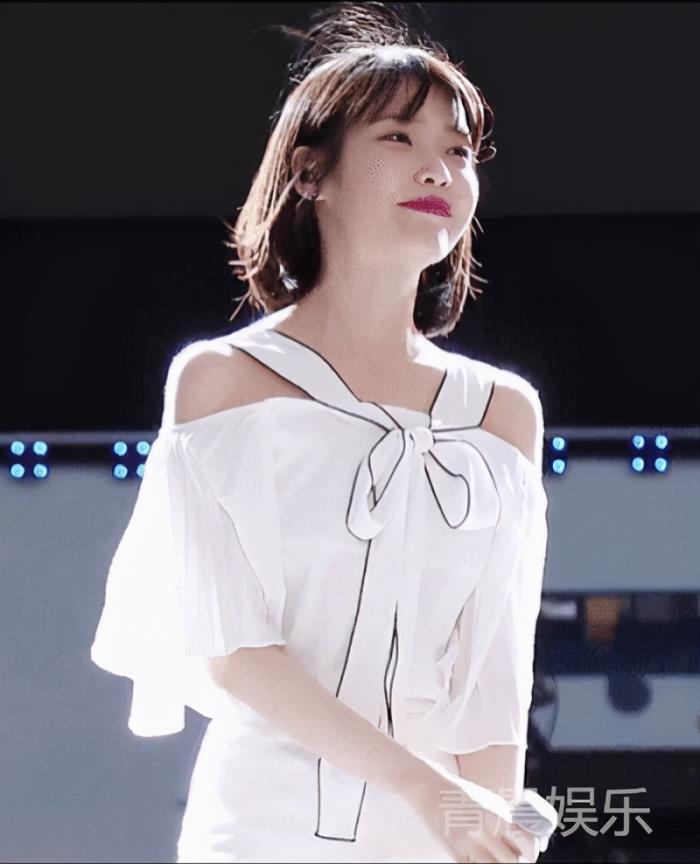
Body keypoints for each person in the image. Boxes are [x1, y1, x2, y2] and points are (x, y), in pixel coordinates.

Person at [90, 4, 556, 862]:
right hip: (258, 829)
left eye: (459, 151)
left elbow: (495, 670)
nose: (439, 168)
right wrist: (424, 785)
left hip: (438, 831)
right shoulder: (224, 381)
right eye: (398, 138)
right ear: (310, 173)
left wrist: (489, 827)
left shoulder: (503, 413)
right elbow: (235, 648)